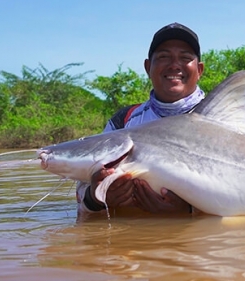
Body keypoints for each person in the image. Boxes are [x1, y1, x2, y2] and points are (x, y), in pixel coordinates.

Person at [76, 22, 205, 216]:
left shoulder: (222, 121)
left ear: (200, 70)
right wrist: (97, 198)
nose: (174, 65)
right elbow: (82, 195)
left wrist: (191, 210)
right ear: (147, 67)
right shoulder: (123, 121)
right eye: (163, 57)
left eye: (185, 58)